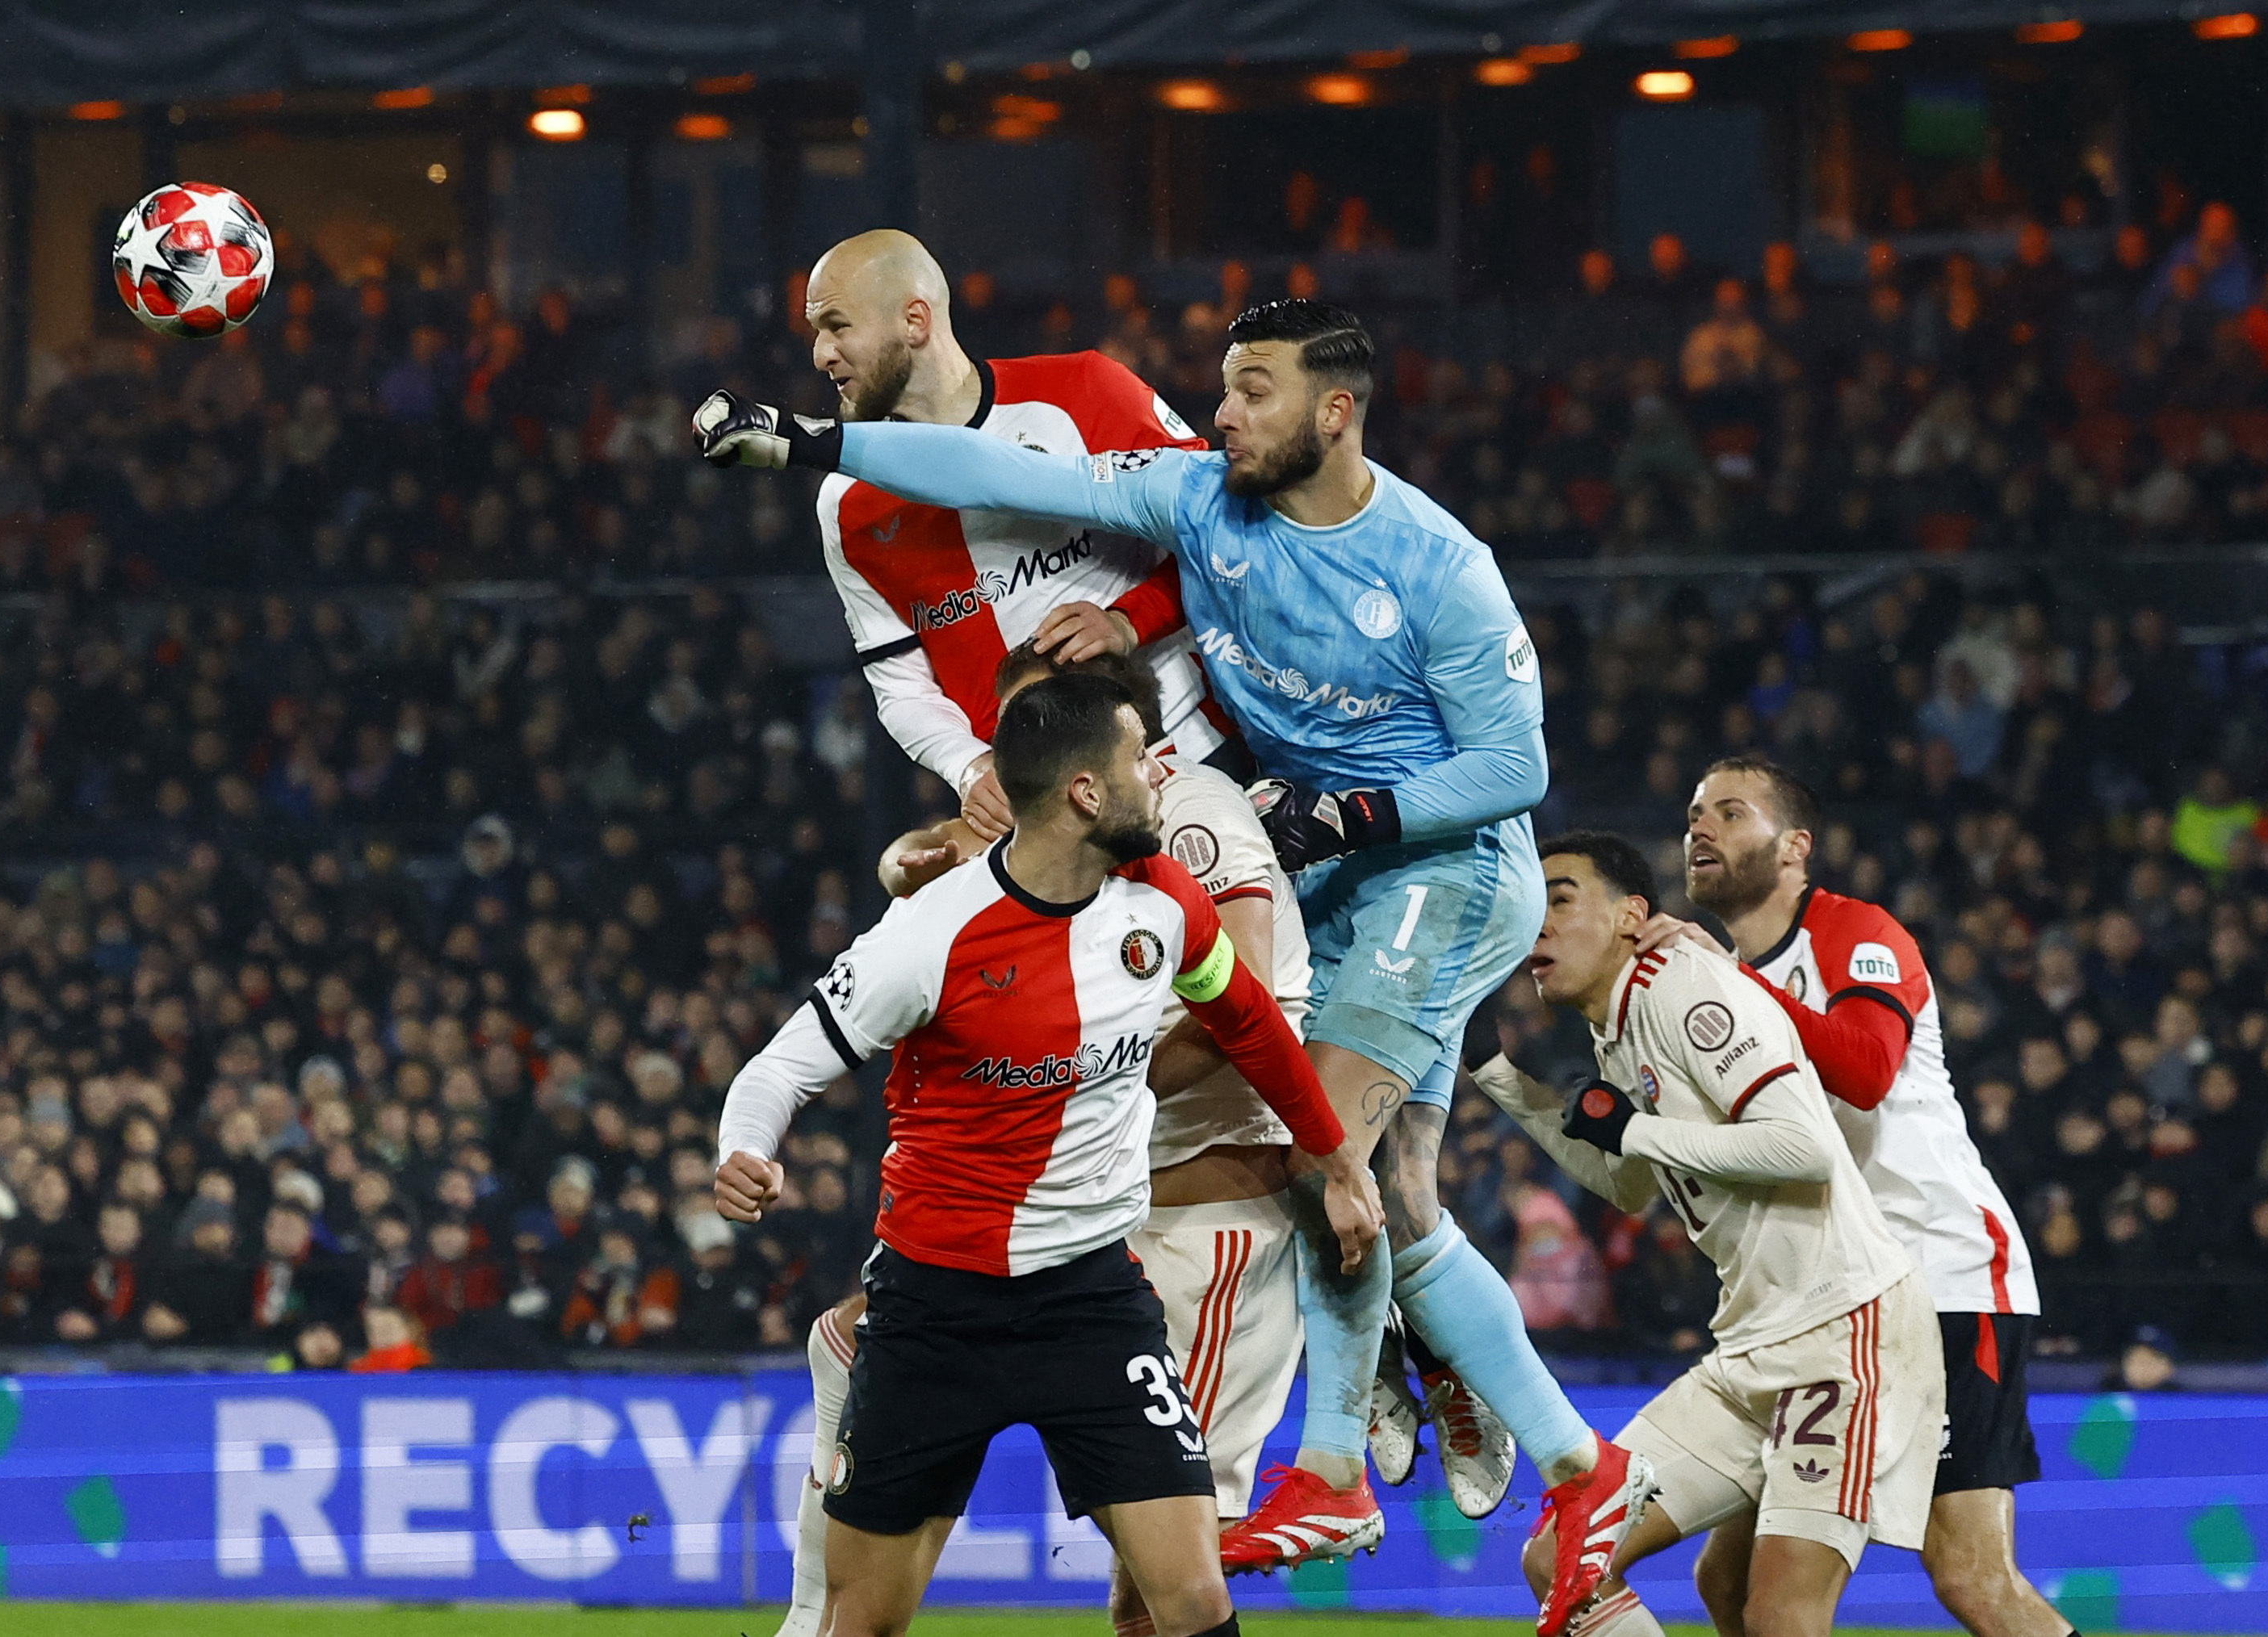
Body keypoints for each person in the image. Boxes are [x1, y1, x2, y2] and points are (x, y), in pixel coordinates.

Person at [695, 296, 1646, 1631]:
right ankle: (1569, 1459)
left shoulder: (1438, 562)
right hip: (1333, 858)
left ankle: (1333, 1466)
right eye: (1220, 386)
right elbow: (998, 470)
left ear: (1333, 409)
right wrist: (811, 443)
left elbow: (1516, 769)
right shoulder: (1199, 500)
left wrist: (1351, 814)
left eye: (1250, 390)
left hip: (1440, 868)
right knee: (1399, 1191)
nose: (1219, 413)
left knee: (1334, 1151)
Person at [712, 670, 1382, 1637]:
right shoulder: (929, 936)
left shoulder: (1162, 902)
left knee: (1192, 1601)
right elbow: (776, 1071)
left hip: (1092, 1304)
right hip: (937, 1307)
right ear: (1085, 793)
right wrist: (747, 1148)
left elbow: (1248, 1021)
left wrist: (1336, 1155)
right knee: (863, 1620)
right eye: (1139, 762)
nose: (1162, 776)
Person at [1633, 755, 2065, 1637]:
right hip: (1819, 1305)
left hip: (1940, 1274)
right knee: (1732, 1583)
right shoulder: (1710, 983)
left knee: (1973, 1578)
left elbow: (1866, 1071)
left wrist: (1725, 976)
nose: (1700, 828)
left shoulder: (1856, 932)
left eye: (1730, 811)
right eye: (1691, 814)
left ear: (1796, 847)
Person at [1471, 831, 1942, 1637]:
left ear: (1631, 917)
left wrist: (1635, 1132)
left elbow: (1803, 1151)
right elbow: (1626, 1181)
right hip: (1749, 1348)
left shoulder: (1684, 985)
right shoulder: (1617, 1025)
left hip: (1842, 1327)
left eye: (1559, 900)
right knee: (1560, 1559)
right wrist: (1501, 1076)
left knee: (1782, 1617)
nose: (1536, 925)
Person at [798, 228, 1231, 845]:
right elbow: (898, 684)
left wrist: (1132, 620)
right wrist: (968, 767)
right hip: (1042, 823)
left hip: (1189, 757)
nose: (820, 354)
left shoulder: (1086, 389)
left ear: (915, 320)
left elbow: (1221, 533)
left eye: (837, 326)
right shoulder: (845, 504)